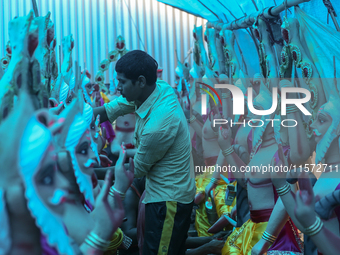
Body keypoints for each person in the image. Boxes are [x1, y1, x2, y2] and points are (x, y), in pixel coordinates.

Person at [93, 50, 196, 255]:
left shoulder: (158, 125)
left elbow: (133, 171)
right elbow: (109, 110)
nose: (117, 87)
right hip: (162, 193)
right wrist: (71, 118)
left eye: (122, 82)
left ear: (140, 81)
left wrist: (90, 172)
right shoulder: (157, 89)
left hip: (168, 201)